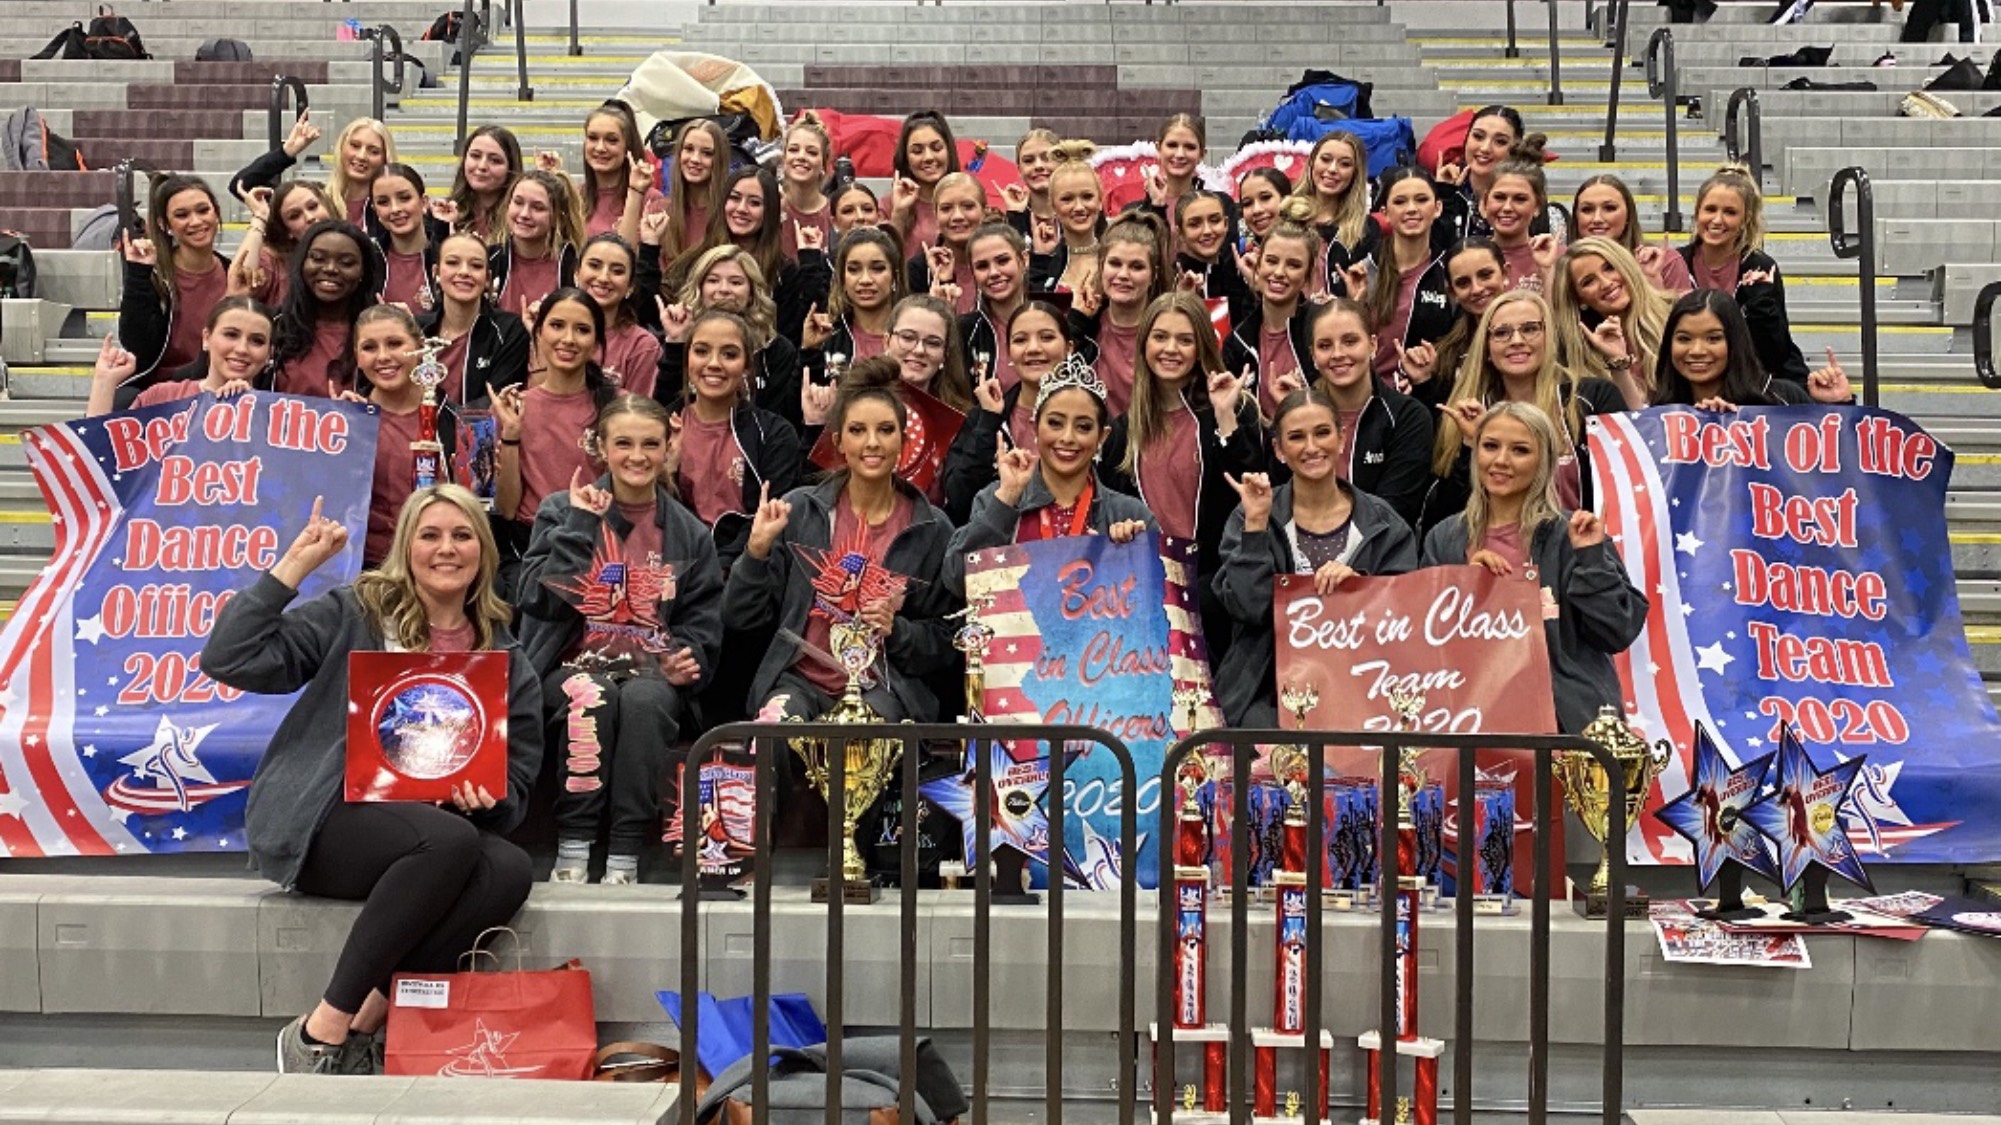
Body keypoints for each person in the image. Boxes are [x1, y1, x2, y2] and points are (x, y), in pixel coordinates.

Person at [202, 485, 540, 1075]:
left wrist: (487, 800)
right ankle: (319, 1030)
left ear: (483, 552)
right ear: (405, 548)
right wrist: (293, 567)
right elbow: (228, 658)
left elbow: (516, 786)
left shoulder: (506, 654)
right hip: (325, 822)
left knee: (508, 866)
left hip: (428, 837)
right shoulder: (356, 612)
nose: (446, 549)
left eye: (462, 536)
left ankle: (369, 1019)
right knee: (449, 840)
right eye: (429, 535)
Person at [516, 395, 725, 885]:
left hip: (649, 675)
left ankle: (625, 856)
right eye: (623, 444)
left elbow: (702, 622)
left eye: (650, 444)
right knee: (594, 693)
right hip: (569, 670)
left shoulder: (690, 532)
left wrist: (684, 659)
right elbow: (536, 599)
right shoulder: (560, 510)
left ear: (669, 447)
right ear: (601, 449)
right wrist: (580, 525)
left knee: (645, 701)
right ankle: (574, 845)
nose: (637, 456)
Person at [726, 361, 957, 724]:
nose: (872, 443)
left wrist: (897, 631)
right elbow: (741, 616)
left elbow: (945, 643)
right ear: (838, 441)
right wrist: (755, 553)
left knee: (855, 742)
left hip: (884, 689)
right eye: (857, 430)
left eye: (885, 430)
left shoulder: (932, 527)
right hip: (799, 682)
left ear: (904, 442)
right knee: (774, 732)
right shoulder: (799, 510)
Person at [1420, 402, 1647, 734]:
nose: (1500, 461)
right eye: (1490, 446)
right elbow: (1423, 644)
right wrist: (1466, 585)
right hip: (1468, 724)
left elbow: (1616, 631)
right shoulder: (1444, 538)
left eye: (1520, 450)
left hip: (1565, 727)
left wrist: (1591, 561)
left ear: (1544, 462)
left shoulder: (1574, 534)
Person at [1213, 387, 1419, 726]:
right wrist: (1255, 528)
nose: (1311, 447)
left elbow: (1407, 620)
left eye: (1322, 433)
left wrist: (1359, 591)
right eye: (1296, 437)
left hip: (1366, 684)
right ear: (1279, 450)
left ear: (1341, 439)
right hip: (1266, 691)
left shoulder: (1384, 523)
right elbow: (1248, 607)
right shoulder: (1250, 513)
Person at [944, 353, 1157, 598]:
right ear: (1035, 427)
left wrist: (1137, 554)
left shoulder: (1130, 514)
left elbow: (1159, 603)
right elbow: (957, 580)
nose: (1067, 437)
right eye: (1055, 423)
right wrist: (1005, 502)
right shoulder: (997, 498)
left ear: (1103, 437)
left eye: (1084, 427)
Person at [1420, 291, 1625, 532]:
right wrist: (1472, 445)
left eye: (1529, 329)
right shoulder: (1470, 409)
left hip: (1586, 551)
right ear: (1486, 346)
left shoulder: (1592, 397)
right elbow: (1448, 518)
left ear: (1548, 337)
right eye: (1501, 333)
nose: (1516, 340)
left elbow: (1627, 485)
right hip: (1498, 560)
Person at [1100, 291, 1261, 577]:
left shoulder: (1236, 409)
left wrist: (1225, 418)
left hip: (1215, 587)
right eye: (1160, 337)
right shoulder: (1123, 430)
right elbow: (1109, 511)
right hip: (1146, 586)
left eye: (1185, 340)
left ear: (1201, 347)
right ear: (1144, 344)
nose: (1171, 349)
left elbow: (1251, 492)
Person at [492, 288, 622, 585]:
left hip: (599, 547)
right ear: (538, 332)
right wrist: (511, 436)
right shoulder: (514, 407)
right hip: (529, 551)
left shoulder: (618, 408)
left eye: (582, 330)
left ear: (597, 342)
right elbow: (507, 508)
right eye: (557, 325)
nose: (568, 339)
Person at [671, 309, 806, 572]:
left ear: (747, 365)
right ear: (687, 359)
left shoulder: (774, 434)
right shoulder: (663, 426)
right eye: (701, 351)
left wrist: (721, 569)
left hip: (744, 571)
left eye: (729, 354)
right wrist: (666, 473)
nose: (713, 363)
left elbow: (772, 518)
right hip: (674, 571)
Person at [343, 304, 469, 566]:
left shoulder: (458, 421)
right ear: (356, 356)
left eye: (395, 343)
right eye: (369, 347)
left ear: (421, 347)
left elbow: (492, 507)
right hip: (364, 570)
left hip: (438, 566)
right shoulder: (346, 421)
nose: (383, 356)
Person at [1302, 299, 1435, 527]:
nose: (1337, 354)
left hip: (1380, 554)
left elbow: (1395, 512)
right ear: (1313, 355)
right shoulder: (1298, 416)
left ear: (1373, 345)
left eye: (1350, 341)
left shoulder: (1408, 417)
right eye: (1325, 346)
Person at [1676, 164, 1808, 387]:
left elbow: (1775, 352)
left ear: (1745, 219)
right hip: (1692, 374)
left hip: (1754, 378)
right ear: (1697, 212)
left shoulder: (1760, 267)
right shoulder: (1676, 262)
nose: (1717, 220)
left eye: (1730, 212)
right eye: (1710, 209)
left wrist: (1759, 302)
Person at [943, 299, 1074, 522]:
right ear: (1009, 352)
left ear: (1069, 348)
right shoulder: (984, 417)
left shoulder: (1090, 419)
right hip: (998, 549)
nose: (1033, 348)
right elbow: (958, 499)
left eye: (1047, 337)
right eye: (1020, 340)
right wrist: (989, 422)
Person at [114, 174, 232, 406]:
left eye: (203, 210)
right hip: (162, 394)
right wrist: (138, 275)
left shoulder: (234, 273)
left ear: (216, 212)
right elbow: (136, 344)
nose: (196, 221)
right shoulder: (155, 276)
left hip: (222, 388)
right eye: (182, 215)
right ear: (163, 225)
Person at [655, 243, 804, 427]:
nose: (724, 289)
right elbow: (660, 412)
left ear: (751, 292)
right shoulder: (678, 341)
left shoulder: (777, 349)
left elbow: (780, 420)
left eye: (736, 282)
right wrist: (677, 343)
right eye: (713, 280)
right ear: (699, 288)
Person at [1650, 289, 1853, 409]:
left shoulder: (1784, 398)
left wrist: (1839, 405)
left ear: (1735, 342)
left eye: (1713, 338)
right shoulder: (1658, 414)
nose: (1696, 350)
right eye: (1684, 339)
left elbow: (1837, 466)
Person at [87, 297, 273, 416]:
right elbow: (100, 458)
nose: (242, 348)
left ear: (269, 353)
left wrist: (250, 408)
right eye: (231, 335)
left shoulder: (276, 414)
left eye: (257, 341)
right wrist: (104, 382)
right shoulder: (161, 397)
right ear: (206, 338)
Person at [1549, 237, 1675, 409]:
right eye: (1589, 281)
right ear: (1579, 299)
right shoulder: (1576, 356)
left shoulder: (1677, 318)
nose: (1606, 283)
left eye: (1609, 268)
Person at [1073, 212, 1173, 416]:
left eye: (1136, 266)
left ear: (1153, 274)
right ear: (1101, 266)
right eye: (1115, 263)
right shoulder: (1084, 329)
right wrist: (1076, 323)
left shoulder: (1170, 332)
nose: (1123, 275)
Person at [270, 220, 384, 398]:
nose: (330, 269)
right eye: (318, 258)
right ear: (302, 263)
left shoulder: (379, 331)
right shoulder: (273, 326)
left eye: (346, 262)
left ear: (363, 271)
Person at [1222, 208, 1319, 417]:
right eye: (1272, 261)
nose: (1279, 273)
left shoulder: (1323, 327)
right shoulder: (1237, 342)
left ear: (1307, 275)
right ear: (1258, 265)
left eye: (1293, 265)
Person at [416, 231, 530, 406]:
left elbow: (496, 404)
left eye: (476, 266)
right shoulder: (416, 330)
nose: (464, 272)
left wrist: (445, 426)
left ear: (487, 279)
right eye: (453, 263)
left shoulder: (510, 330)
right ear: (436, 272)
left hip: (480, 433)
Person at [1361, 167, 1453, 382]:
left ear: (1437, 208)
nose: (1411, 209)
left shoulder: (1449, 271)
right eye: (1400, 202)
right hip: (1365, 396)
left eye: (1421, 200)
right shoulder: (1362, 270)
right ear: (1385, 213)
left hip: (1425, 396)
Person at [1400, 238, 1511, 409]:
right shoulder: (1446, 355)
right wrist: (1423, 382)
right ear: (1452, 291)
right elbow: (1440, 421)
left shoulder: (1534, 335)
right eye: (1463, 283)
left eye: (1485, 275)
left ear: (1505, 273)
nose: (1477, 289)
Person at [231, 116, 395, 231]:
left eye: (373, 151)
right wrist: (286, 153)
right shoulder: (314, 199)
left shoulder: (392, 208)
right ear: (341, 148)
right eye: (355, 145)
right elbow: (242, 185)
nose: (361, 156)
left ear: (385, 159)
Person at [802, 226, 906, 383]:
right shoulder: (828, 336)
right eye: (854, 269)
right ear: (842, 279)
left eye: (877, 269)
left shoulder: (913, 335)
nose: (865, 280)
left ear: (894, 276)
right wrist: (809, 351)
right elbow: (799, 401)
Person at [572, 233, 662, 398]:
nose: (604, 277)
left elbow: (638, 414)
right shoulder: (552, 329)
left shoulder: (642, 345)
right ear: (577, 274)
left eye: (617, 271)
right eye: (594, 265)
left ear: (630, 286)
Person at [1570, 173, 1692, 293]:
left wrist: (1653, 282)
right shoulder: (1562, 266)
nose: (1597, 219)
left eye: (1609, 208)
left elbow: (1687, 312)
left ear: (1629, 215)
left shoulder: (1665, 261)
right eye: (1587, 210)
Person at [491, 170, 585, 318]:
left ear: (556, 216)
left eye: (538, 208)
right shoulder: (489, 259)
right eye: (518, 202)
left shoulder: (574, 264)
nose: (524, 214)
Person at [228, 180, 337, 308]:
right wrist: (260, 217)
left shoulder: (352, 245)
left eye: (313, 206)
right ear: (287, 231)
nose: (309, 217)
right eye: (295, 216)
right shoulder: (273, 262)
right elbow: (240, 283)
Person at [1290, 130, 1379, 286]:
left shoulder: (1366, 229)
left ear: (1355, 174)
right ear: (1312, 163)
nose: (1332, 169)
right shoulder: (1286, 215)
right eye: (1325, 159)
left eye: (1345, 164)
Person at [956, 222, 1030, 392]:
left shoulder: (1051, 320)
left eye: (1002, 261)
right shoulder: (964, 330)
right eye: (982, 266)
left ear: (1024, 260)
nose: (994, 273)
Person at [1480, 143, 1563, 294]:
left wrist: (1547, 271)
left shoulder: (1559, 257)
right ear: (1485, 202)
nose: (1507, 207)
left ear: (1537, 205)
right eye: (1499, 197)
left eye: (1520, 199)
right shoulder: (1470, 256)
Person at [1173, 188, 1256, 332]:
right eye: (1194, 224)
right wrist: (1180, 302)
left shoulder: (1241, 274)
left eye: (1214, 220)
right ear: (1180, 233)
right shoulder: (1171, 278)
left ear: (1226, 224)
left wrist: (1257, 291)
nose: (1207, 231)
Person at [369, 163, 449, 314]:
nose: (395, 209)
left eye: (404, 198)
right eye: (383, 202)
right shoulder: (367, 260)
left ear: (424, 202)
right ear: (375, 211)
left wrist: (413, 326)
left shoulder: (448, 257)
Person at [581, 101, 666, 243]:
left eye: (612, 140)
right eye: (593, 138)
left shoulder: (652, 200)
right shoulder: (575, 197)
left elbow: (627, 258)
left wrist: (635, 193)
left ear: (627, 146)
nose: (600, 147)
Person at [905, 172, 987, 317]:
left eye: (968, 206)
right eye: (946, 208)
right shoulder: (917, 270)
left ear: (984, 212)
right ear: (935, 216)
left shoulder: (999, 264)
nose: (957, 216)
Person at [1032, 142, 1107, 295]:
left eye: (1087, 197)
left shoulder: (1116, 258)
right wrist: (1041, 258)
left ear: (1100, 201)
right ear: (1053, 206)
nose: (1079, 207)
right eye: (1067, 199)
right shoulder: (1045, 262)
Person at [887, 110, 962, 254]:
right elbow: (882, 260)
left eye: (936, 148)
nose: (928, 157)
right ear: (906, 158)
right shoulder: (888, 206)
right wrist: (899, 215)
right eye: (917, 151)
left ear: (949, 150)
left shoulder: (968, 200)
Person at [659, 119, 730, 265]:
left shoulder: (732, 214)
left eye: (707, 153)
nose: (695, 159)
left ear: (720, 160)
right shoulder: (659, 211)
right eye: (689, 149)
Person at [447, 125, 523, 243]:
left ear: (511, 167)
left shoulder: (521, 220)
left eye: (495, 160)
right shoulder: (444, 215)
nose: (482, 166)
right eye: (475, 156)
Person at [778, 112, 836, 260]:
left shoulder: (835, 213)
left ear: (824, 162)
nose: (801, 157)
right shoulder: (771, 209)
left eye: (811, 152)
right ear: (784, 159)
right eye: (793, 150)